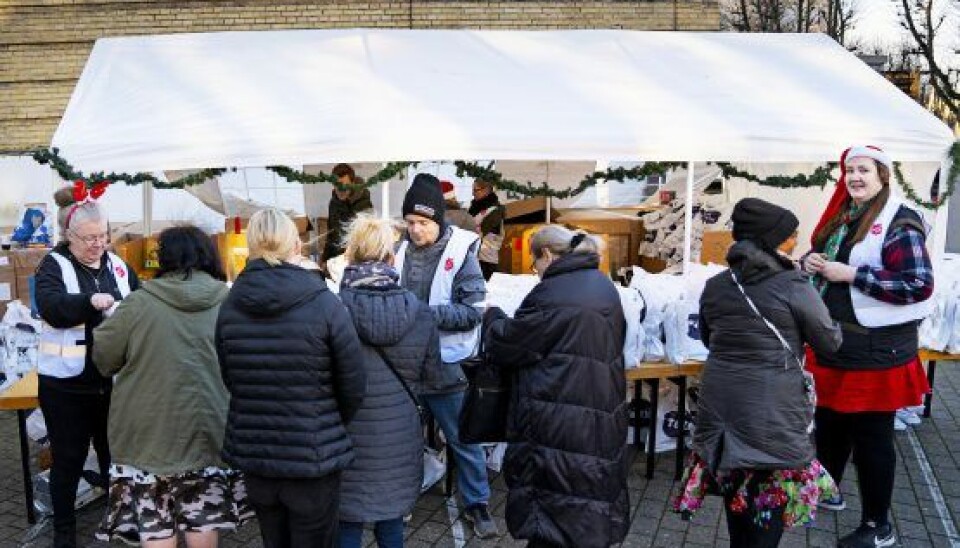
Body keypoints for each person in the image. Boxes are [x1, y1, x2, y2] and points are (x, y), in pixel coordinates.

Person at [674, 198, 843, 548]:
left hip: (721, 403)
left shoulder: (717, 285)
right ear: (773, 240)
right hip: (771, 408)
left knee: (738, 491)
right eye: (791, 235)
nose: (796, 241)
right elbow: (829, 342)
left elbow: (709, 338)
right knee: (768, 501)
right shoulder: (793, 285)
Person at [802, 145, 934, 548]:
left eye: (863, 170)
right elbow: (832, 258)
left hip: (878, 351)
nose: (854, 177)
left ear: (882, 175)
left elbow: (917, 284)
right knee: (830, 425)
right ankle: (829, 491)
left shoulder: (900, 221)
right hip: (838, 343)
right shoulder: (847, 215)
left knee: (872, 440)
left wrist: (852, 275)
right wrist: (812, 261)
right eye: (849, 171)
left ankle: (880, 526)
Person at [217, 208, 366, 548]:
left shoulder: (230, 305)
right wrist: (328, 421)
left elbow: (231, 377)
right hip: (312, 455)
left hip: (258, 452)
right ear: (296, 246)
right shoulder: (325, 303)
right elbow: (353, 384)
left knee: (274, 539)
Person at [92, 226, 250, 547]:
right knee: (203, 518)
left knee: (156, 522)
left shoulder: (137, 305)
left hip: (150, 437)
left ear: (163, 258)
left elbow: (104, 359)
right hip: (212, 430)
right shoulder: (231, 302)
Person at [483, 225, 628, 548]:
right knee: (585, 503)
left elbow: (513, 344)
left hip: (557, 418)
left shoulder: (552, 293)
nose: (535, 272)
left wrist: (493, 317)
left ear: (546, 254)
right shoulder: (602, 285)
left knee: (554, 508)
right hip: (598, 412)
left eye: (534, 264)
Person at [35, 185, 140, 548]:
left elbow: (138, 303)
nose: (98, 244)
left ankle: (120, 517)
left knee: (116, 456)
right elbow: (50, 306)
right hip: (67, 386)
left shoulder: (118, 265)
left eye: (104, 236)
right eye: (90, 238)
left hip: (113, 382)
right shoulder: (54, 264)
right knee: (68, 458)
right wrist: (89, 301)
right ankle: (64, 529)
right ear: (69, 236)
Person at [395, 173, 498, 538]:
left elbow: (473, 311)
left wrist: (424, 313)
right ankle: (400, 503)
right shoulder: (398, 249)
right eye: (410, 222)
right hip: (404, 365)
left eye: (423, 222)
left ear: (439, 220)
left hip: (444, 363)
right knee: (402, 440)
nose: (416, 230)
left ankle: (477, 503)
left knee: (461, 436)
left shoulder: (462, 254)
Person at [336, 215, 440, 548]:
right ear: (392, 259)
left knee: (347, 522)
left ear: (349, 257)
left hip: (346, 433)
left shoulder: (332, 311)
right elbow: (432, 375)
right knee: (391, 520)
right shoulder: (420, 312)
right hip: (399, 432)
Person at [323, 163, 374, 263]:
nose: (341, 190)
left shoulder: (364, 203)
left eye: (345, 186)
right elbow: (331, 234)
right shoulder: (333, 203)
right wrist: (325, 258)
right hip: (336, 259)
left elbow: (365, 239)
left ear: (352, 183)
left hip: (355, 259)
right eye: (338, 185)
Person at [468, 179, 504, 280]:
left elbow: (479, 231)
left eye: (476, 190)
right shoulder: (474, 208)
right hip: (473, 257)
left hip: (486, 260)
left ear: (486, 190)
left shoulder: (495, 211)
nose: (473, 193)